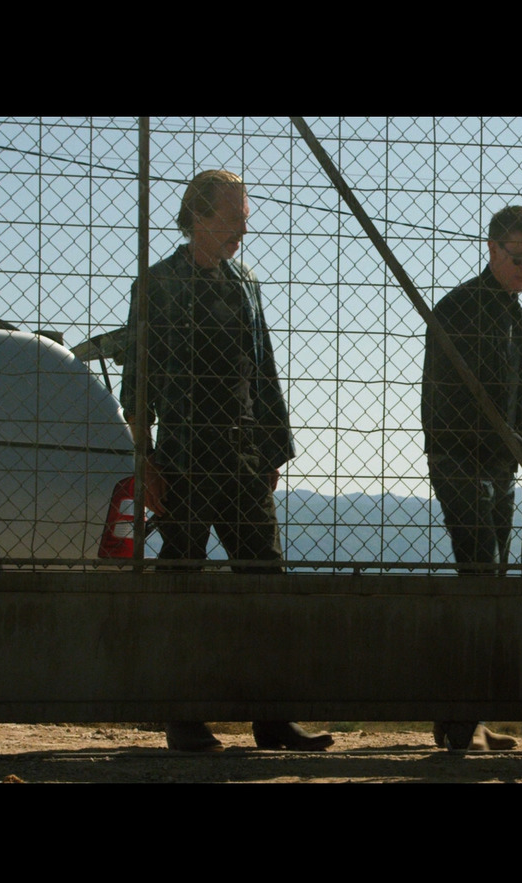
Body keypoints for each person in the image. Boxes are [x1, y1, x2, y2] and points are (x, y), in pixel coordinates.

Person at [121, 169, 332, 753]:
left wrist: (274, 449)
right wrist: (145, 463)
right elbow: (137, 381)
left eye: (244, 214)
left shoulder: (245, 282)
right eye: (234, 214)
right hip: (184, 457)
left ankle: (271, 720)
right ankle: (183, 719)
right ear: (198, 215)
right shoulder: (158, 284)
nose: (244, 225)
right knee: (183, 582)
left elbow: (262, 366)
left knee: (265, 584)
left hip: (242, 457)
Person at [421, 205, 522, 752]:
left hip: (498, 463)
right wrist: (519, 446)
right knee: (480, 582)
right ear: (493, 248)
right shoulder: (461, 309)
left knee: (489, 582)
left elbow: (512, 401)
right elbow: (458, 408)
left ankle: (466, 715)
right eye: (518, 258)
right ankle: (460, 717)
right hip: (461, 462)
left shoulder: (512, 314)